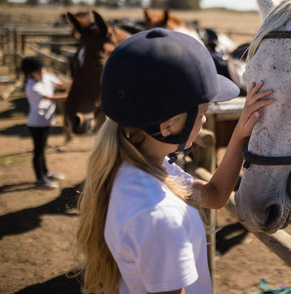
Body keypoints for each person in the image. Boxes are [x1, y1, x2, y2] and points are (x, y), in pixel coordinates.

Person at [75, 28, 273, 294]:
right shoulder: (159, 214)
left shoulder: (140, 165)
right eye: (203, 112)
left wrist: (240, 133)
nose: (204, 120)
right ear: (168, 126)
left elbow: (214, 196)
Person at [21, 56, 71, 189]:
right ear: (30, 73)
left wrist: (77, 82)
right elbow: (50, 98)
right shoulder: (31, 87)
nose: (42, 72)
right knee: (38, 151)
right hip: (36, 123)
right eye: (38, 71)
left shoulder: (46, 77)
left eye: (42, 69)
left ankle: (46, 173)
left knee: (42, 149)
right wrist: (71, 97)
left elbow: (61, 84)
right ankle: (39, 179)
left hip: (46, 120)